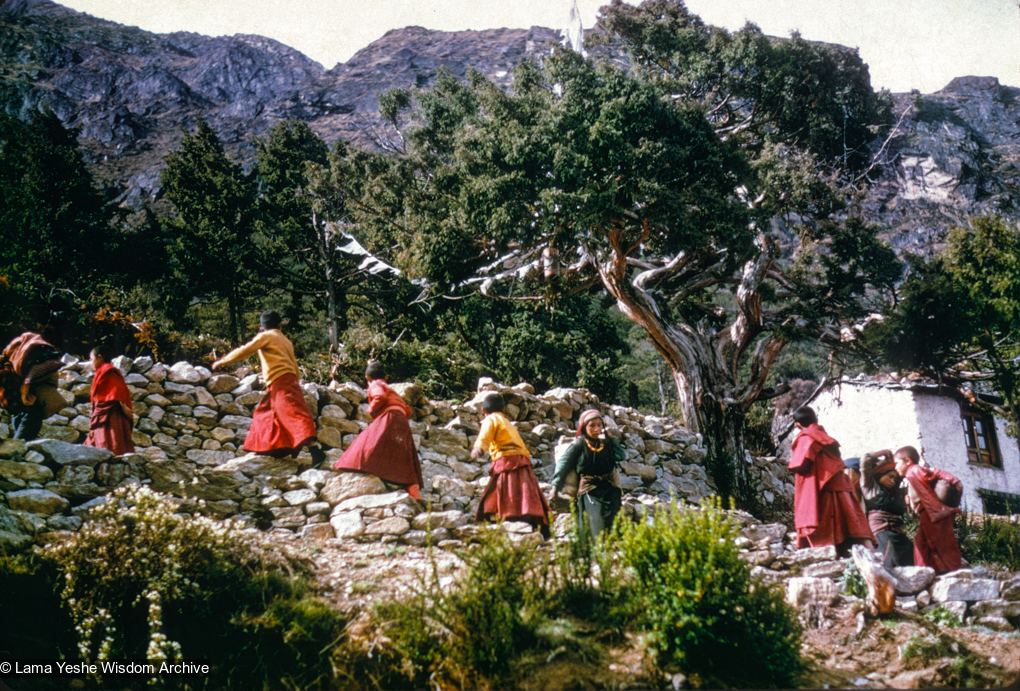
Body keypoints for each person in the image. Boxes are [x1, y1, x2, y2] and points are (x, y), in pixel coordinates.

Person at [211, 311, 326, 467]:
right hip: (288, 380)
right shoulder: (285, 340)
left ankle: (315, 450)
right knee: (266, 413)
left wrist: (222, 361)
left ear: (261, 327)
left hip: (280, 381)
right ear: (279, 324)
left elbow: (245, 350)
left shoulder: (266, 336)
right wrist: (295, 381)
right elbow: (294, 365)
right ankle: (274, 449)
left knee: (293, 413)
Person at [788, 406, 874, 556]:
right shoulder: (827, 438)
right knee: (853, 526)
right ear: (816, 420)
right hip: (842, 486)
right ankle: (874, 558)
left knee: (825, 533)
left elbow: (799, 466)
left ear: (797, 425)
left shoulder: (805, 438)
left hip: (824, 488)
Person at [332, 361, 423, 499]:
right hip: (402, 419)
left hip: (390, 416)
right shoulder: (390, 388)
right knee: (405, 456)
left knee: (366, 440)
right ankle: (414, 491)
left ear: (367, 378)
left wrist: (371, 409)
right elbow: (407, 409)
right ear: (386, 377)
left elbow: (380, 396)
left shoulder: (376, 384)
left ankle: (349, 464)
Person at [471, 393, 551, 538]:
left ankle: (507, 516)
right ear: (503, 409)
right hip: (522, 460)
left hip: (506, 460)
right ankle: (536, 522)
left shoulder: (491, 419)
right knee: (525, 491)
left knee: (506, 489)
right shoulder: (506, 422)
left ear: (483, 410)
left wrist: (479, 448)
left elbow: (485, 435)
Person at [551, 409, 625, 550]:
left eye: (599, 425)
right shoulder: (579, 445)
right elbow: (562, 465)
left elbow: (621, 456)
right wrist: (555, 487)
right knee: (594, 527)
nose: (597, 429)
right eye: (592, 426)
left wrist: (612, 439)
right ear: (584, 427)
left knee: (614, 526)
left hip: (609, 490)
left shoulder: (606, 444)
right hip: (590, 490)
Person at [894, 446, 963, 574]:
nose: (895, 467)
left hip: (934, 514)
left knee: (943, 545)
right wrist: (911, 498)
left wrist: (955, 481)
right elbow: (923, 488)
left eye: (896, 463)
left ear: (907, 461)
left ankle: (956, 574)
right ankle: (927, 573)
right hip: (927, 514)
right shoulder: (911, 474)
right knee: (922, 543)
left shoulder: (913, 470)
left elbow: (932, 473)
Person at [0, 332, 65, 441]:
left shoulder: (16, 363)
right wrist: (25, 390)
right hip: (25, 410)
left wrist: (26, 386)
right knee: (21, 444)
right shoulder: (18, 364)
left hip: (22, 410)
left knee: (20, 444)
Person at [860, 449, 914, 568]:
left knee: (911, 560)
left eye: (895, 479)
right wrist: (883, 453)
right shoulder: (870, 488)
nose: (892, 481)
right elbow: (865, 459)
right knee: (892, 564)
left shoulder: (895, 493)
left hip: (898, 534)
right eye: (890, 476)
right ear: (880, 474)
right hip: (882, 532)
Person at [83, 345, 135, 455]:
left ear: (100, 358)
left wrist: (97, 413)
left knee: (110, 446)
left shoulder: (108, 372)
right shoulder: (104, 371)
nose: (90, 362)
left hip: (111, 417)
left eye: (91, 359)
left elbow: (113, 395)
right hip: (106, 416)